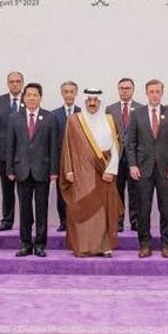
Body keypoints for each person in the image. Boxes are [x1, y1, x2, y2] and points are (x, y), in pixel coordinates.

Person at [59, 87, 122, 257]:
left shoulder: (109, 120)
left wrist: (111, 170)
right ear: (84, 102)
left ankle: (103, 246)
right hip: (81, 174)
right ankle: (83, 246)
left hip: (104, 173)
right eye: (89, 101)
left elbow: (116, 148)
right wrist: (68, 170)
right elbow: (68, 147)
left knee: (102, 211)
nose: (92, 104)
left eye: (95, 101)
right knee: (82, 210)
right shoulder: (74, 120)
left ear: (100, 103)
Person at [125, 79, 168, 258]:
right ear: (146, 93)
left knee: (166, 208)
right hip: (142, 169)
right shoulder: (137, 114)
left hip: (165, 169)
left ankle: (166, 244)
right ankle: (145, 245)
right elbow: (130, 143)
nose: (154, 94)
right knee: (143, 209)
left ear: (162, 93)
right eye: (151, 91)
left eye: (158, 91)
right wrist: (132, 164)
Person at [6, 82, 59, 258]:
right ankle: (25, 244)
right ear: (24, 97)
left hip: (42, 170)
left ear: (40, 97)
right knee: (25, 210)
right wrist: (9, 168)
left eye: (35, 95)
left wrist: (54, 169)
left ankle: (40, 245)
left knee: (41, 209)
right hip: (21, 170)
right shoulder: (15, 117)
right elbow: (10, 145)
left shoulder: (49, 117)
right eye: (28, 95)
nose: (31, 98)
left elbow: (54, 146)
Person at [106, 77, 143, 231]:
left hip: (135, 158)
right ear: (118, 89)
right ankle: (118, 220)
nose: (124, 91)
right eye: (121, 88)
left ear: (133, 90)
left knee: (135, 191)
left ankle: (135, 221)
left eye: (127, 88)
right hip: (117, 157)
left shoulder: (141, 109)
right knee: (117, 190)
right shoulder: (110, 109)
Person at [0, 70, 25, 231]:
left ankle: (26, 221)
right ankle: (7, 220)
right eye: (12, 81)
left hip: (26, 155)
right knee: (7, 190)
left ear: (22, 83)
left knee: (25, 191)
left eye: (18, 81)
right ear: (8, 84)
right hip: (5, 155)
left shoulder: (30, 99)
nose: (15, 84)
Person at [52, 81, 80, 232]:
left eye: (71, 91)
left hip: (79, 162)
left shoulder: (83, 113)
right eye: (66, 92)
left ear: (76, 93)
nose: (69, 94)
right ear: (62, 94)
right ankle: (63, 221)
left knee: (78, 192)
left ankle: (76, 221)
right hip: (60, 160)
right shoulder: (53, 115)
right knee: (62, 192)